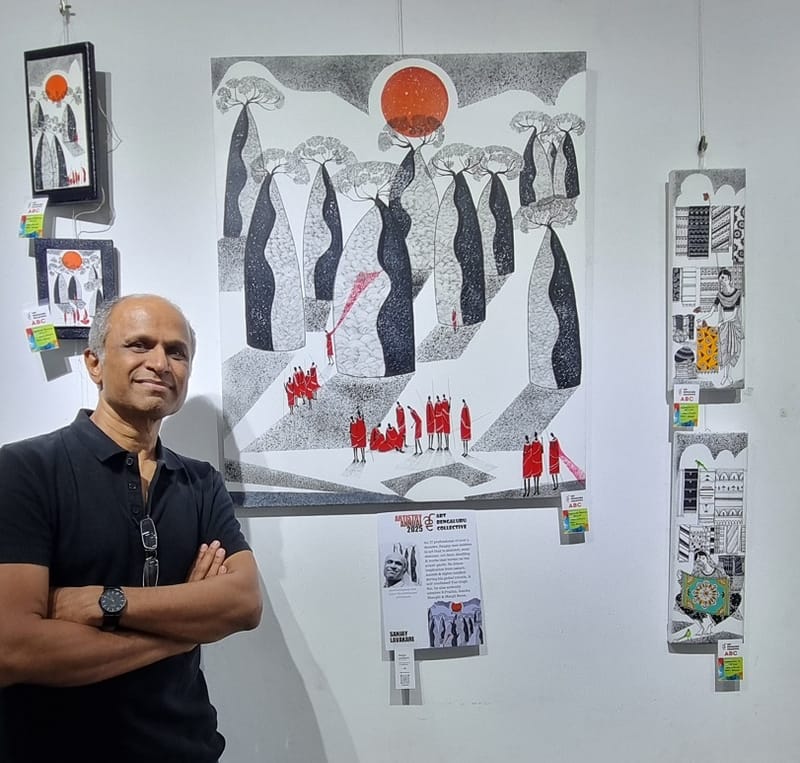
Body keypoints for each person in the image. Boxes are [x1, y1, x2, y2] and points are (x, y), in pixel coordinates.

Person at [0, 294, 263, 762]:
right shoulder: (25, 469)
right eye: (139, 345)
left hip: (189, 750)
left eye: (177, 352)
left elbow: (243, 603)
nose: (160, 363)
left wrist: (103, 601)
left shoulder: (201, 482)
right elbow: (14, 649)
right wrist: (188, 628)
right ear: (94, 363)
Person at [694, 267, 743, 387]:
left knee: (732, 350)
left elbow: (735, 314)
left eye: (724, 279)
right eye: (720, 279)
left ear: (729, 279)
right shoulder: (719, 295)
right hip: (724, 326)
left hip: (733, 325)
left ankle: (728, 375)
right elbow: (711, 312)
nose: (722, 281)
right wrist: (701, 317)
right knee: (724, 349)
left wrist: (723, 322)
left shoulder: (737, 294)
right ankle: (725, 376)